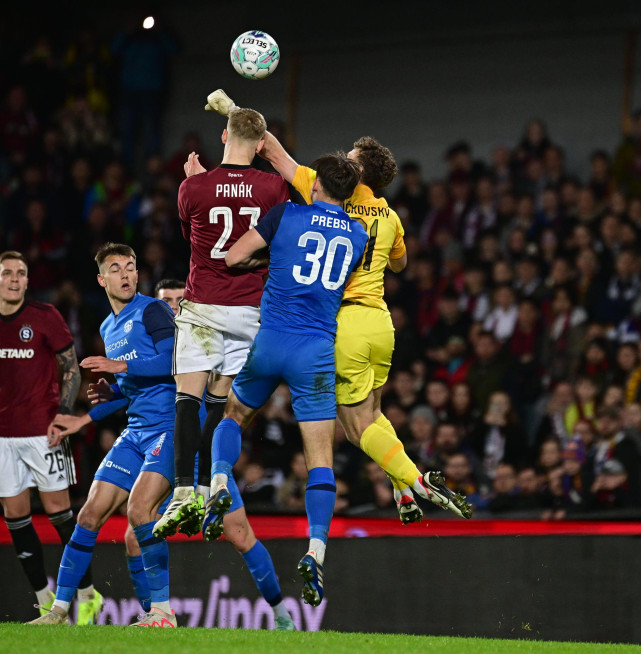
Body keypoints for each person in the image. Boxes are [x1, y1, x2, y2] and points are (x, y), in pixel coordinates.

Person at [206, 88, 471, 523]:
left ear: (357, 170)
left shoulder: (323, 190)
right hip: (381, 324)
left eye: (349, 156)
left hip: (340, 322)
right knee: (374, 414)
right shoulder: (390, 216)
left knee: (355, 428)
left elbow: (270, 150)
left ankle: (416, 481)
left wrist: (235, 110)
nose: (343, 160)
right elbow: (401, 265)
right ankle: (402, 488)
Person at [200, 152, 369, 607]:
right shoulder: (359, 233)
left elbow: (234, 258)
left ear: (315, 186)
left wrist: (270, 262)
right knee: (320, 459)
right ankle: (315, 550)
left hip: (272, 337)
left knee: (232, 417)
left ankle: (218, 482)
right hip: (314, 351)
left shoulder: (286, 214)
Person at [154, 106, 290, 538]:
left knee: (186, 399)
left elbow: (190, 239)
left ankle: (181, 495)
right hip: (250, 312)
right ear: (262, 145)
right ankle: (214, 483)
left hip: (204, 305)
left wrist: (195, 180)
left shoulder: (192, 188)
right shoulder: (274, 187)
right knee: (223, 406)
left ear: (223, 135)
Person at [31, 243, 176, 627]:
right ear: (102, 279)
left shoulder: (153, 309)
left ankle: (162, 612)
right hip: (135, 430)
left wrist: (120, 365)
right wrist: (88, 416)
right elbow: (133, 387)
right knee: (89, 514)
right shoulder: (107, 326)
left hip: (168, 425)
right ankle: (59, 611)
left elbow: (173, 362)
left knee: (139, 510)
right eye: (116, 268)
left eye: (131, 267)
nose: (127, 274)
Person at [0, 251, 101, 623]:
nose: (14, 279)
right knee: (15, 515)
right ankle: (45, 600)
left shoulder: (45, 317)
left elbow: (70, 368)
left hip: (44, 433)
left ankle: (88, 594)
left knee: (59, 513)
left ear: (28, 282)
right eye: (7, 273)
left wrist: (63, 414)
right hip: (2, 436)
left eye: (21, 274)